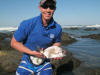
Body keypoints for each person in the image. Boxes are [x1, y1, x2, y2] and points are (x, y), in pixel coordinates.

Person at [11, 0, 62, 75]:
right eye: (45, 6)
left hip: (45, 62)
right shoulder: (27, 24)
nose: (48, 10)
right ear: (40, 8)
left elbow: (57, 42)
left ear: (54, 9)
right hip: (27, 60)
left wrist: (54, 52)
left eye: (51, 6)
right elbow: (14, 43)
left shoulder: (58, 28)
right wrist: (31, 53)